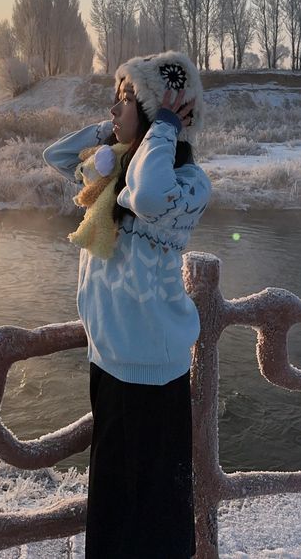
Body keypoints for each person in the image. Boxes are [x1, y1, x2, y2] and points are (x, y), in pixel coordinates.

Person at [43, 51, 211, 559]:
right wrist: (113, 126)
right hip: (108, 360)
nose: (113, 111)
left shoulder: (188, 184)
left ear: (161, 111)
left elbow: (150, 195)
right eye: (114, 101)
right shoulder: (110, 171)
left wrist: (159, 128)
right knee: (114, 508)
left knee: (155, 518)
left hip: (153, 372)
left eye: (125, 101)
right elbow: (55, 156)